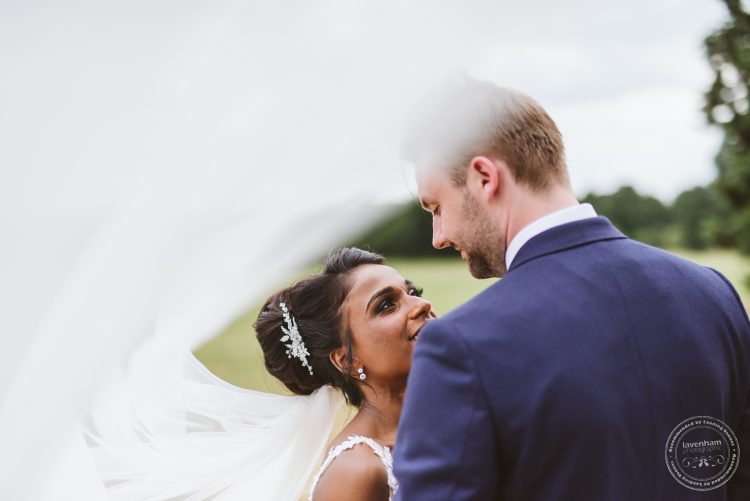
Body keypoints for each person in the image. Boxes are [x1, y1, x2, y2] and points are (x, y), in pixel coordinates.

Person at [392, 78, 750, 500]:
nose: (439, 235)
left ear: (485, 178)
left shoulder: (460, 346)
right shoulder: (713, 296)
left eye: (437, 207)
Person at [255, 247, 435, 500]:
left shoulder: (444, 419)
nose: (422, 304)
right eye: (386, 306)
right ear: (347, 361)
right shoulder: (356, 471)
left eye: (412, 292)